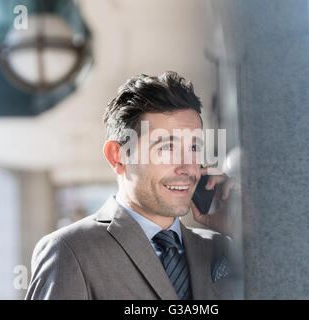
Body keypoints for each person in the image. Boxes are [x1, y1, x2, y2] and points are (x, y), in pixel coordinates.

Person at [25, 71, 237, 300]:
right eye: (166, 148)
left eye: (194, 148)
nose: (187, 167)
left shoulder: (221, 247)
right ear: (118, 156)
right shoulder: (70, 251)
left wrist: (246, 229)